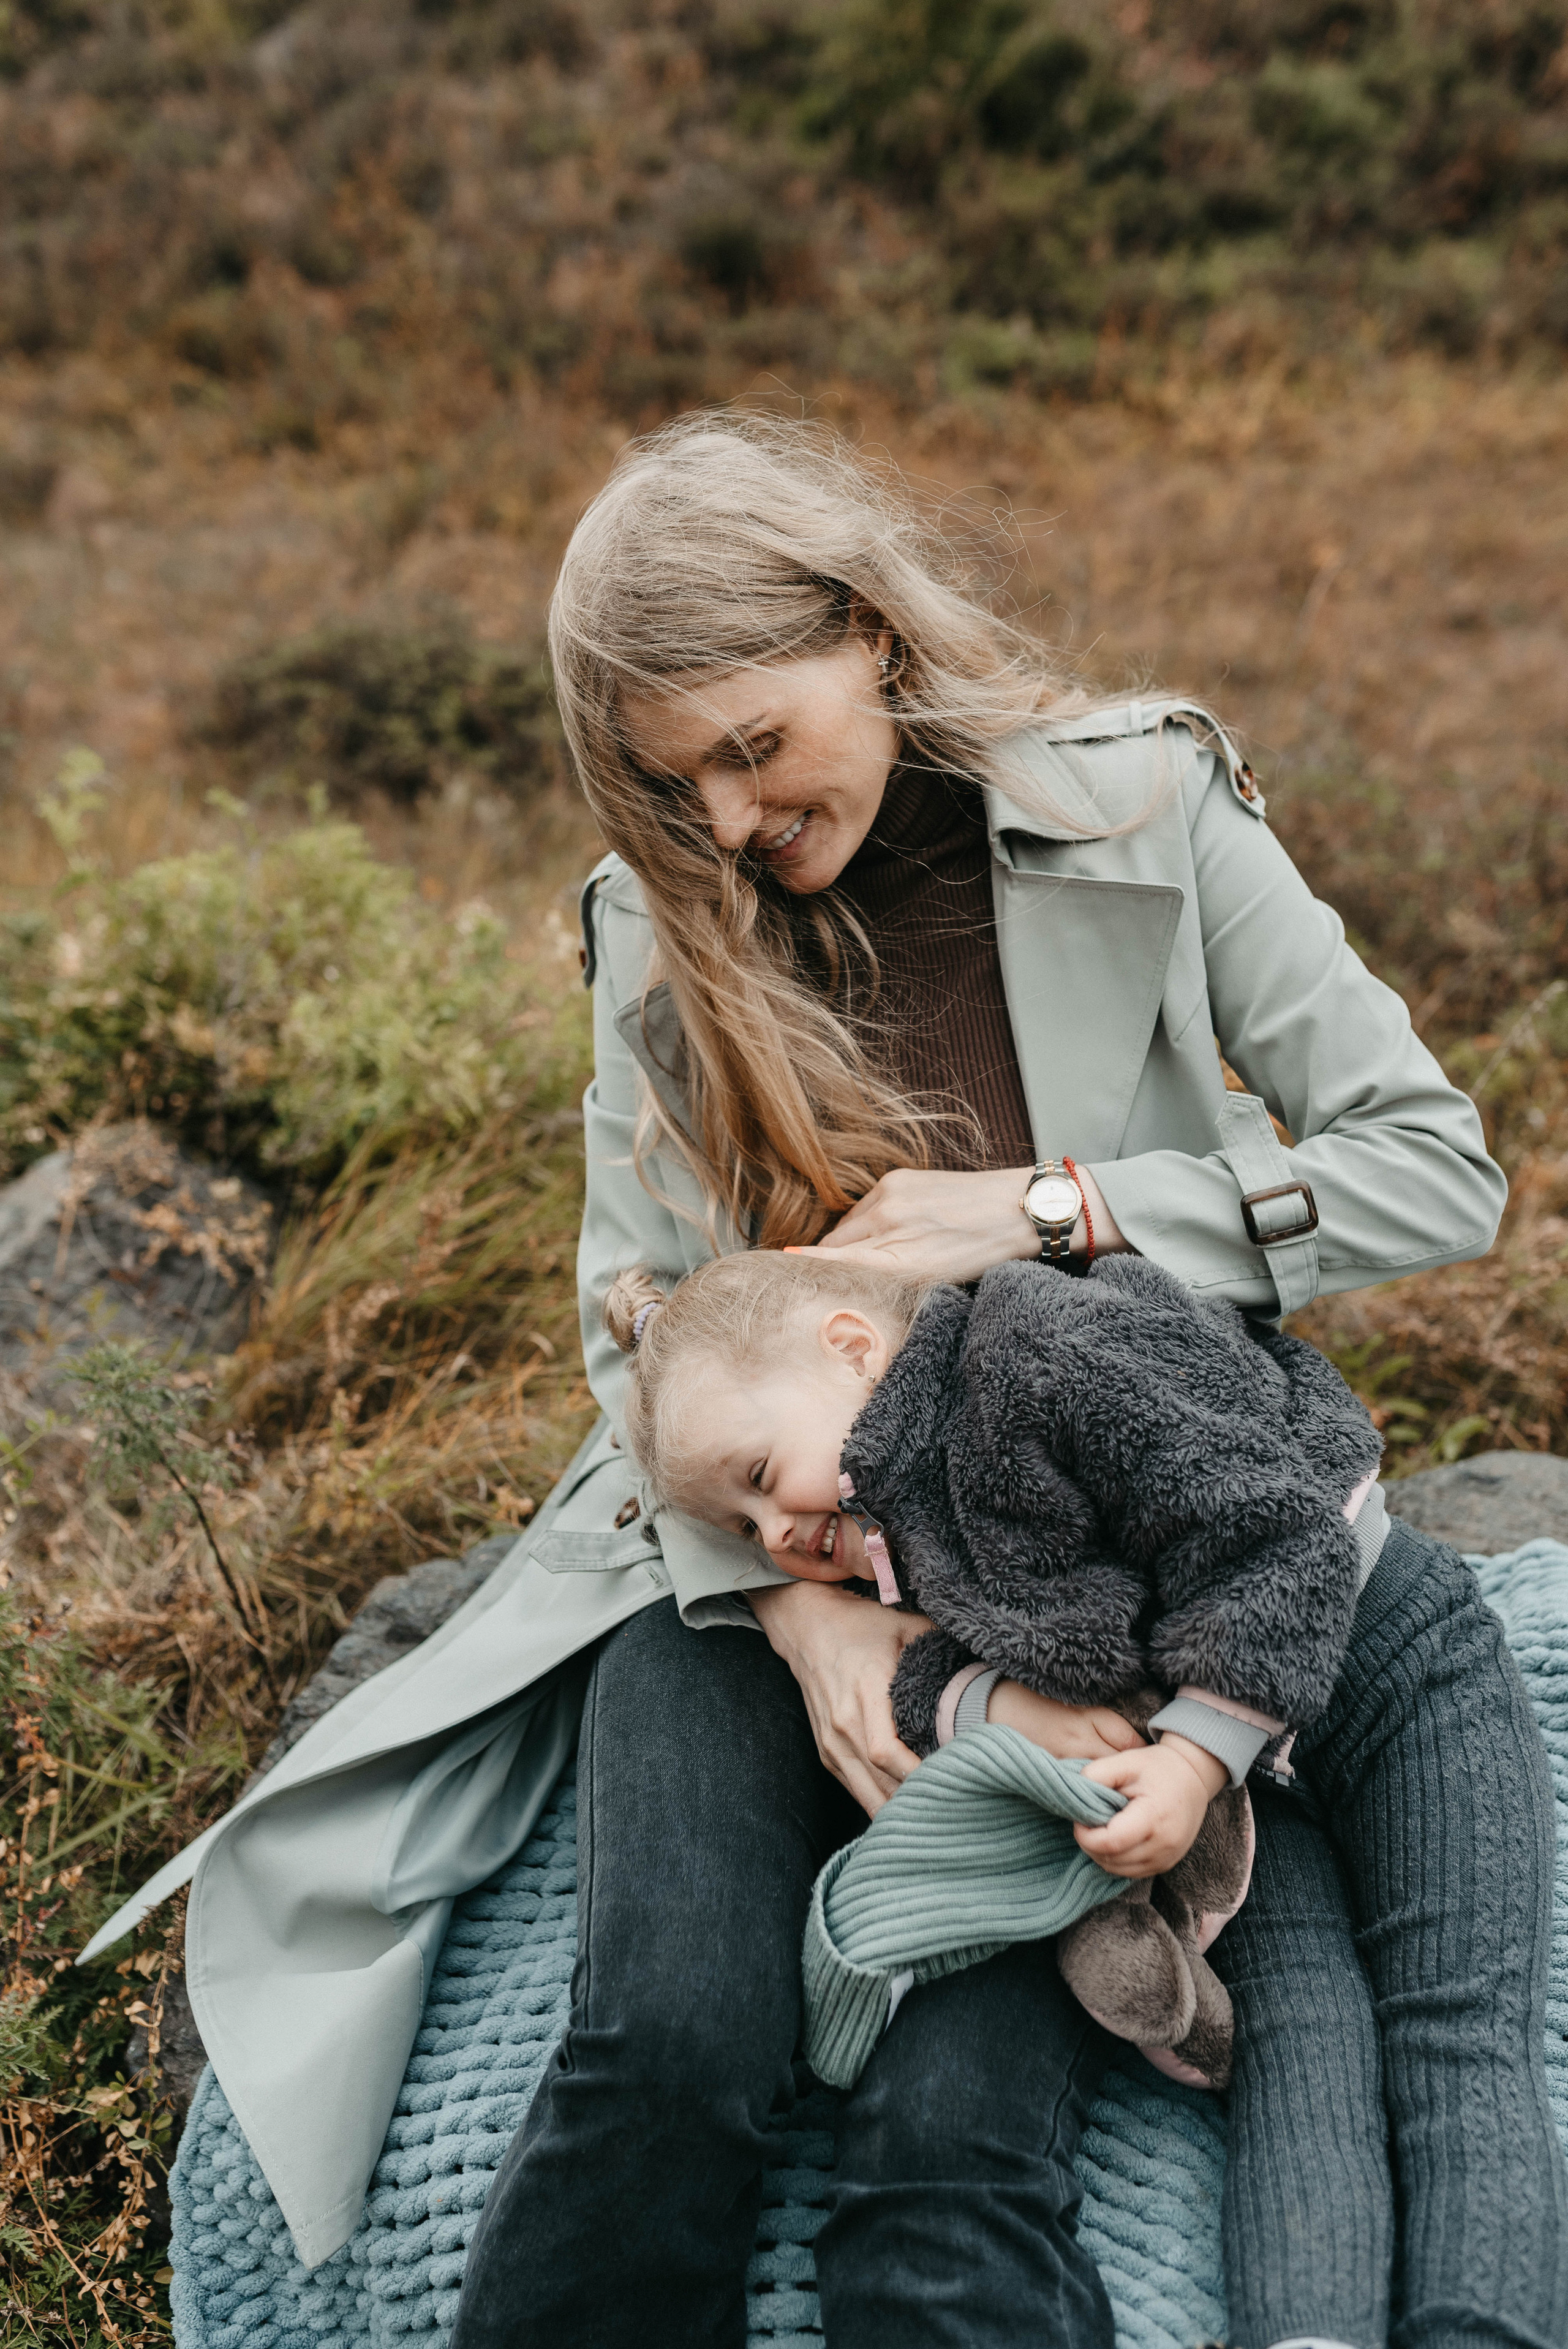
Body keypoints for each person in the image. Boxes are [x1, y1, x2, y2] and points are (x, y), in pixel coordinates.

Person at [446, 412, 1560, 2349]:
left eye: (751, 744)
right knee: (670, 2043)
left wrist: (1055, 1211)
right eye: (670, 780)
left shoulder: (1148, 809)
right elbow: (635, 1319)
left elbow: (1429, 1163)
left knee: (945, 2139)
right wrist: (797, 1614)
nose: (723, 823)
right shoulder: (658, 921)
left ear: (871, 632)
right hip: (752, 1557)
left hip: (1080, 1547)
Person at [583, 1241, 1564, 2252]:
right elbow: (937, 1663)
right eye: (744, 1527)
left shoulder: (1038, 1353)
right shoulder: (892, 1519)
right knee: (1297, 2050)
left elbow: (1280, 1540)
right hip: (1253, 1778)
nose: (775, 1536)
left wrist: (1191, 1755)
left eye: (758, 1477)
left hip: (1376, 1666)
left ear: (850, 1346)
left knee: (1450, 2034)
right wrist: (997, 1703)